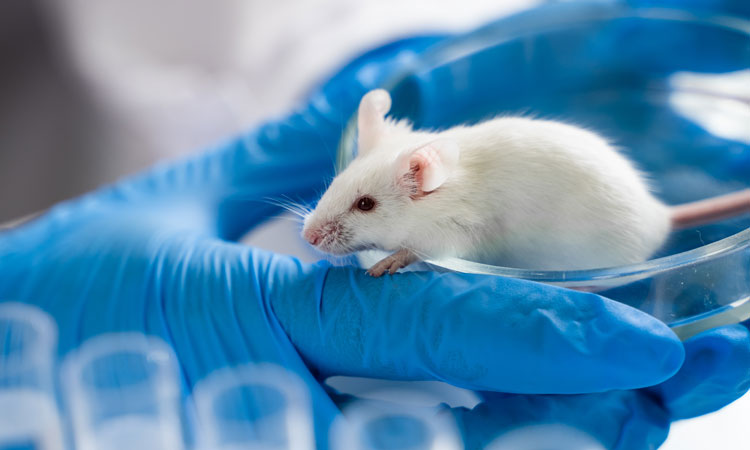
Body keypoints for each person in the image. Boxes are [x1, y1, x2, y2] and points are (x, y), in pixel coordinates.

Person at [1, 1, 749, 448]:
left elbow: (459, 228)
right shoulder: (405, 173)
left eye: (356, 207)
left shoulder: (438, 194)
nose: (322, 226)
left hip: (595, 238)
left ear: (421, 181)